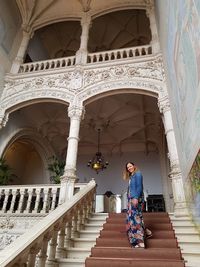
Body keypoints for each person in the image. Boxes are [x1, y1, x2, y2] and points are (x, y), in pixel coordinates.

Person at [123, 162, 152, 248]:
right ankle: (145, 233)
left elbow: (139, 187)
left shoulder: (138, 174)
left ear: (134, 166)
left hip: (136, 199)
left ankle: (140, 242)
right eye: (127, 167)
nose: (129, 168)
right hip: (130, 200)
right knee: (131, 219)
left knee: (136, 219)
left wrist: (135, 198)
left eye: (130, 166)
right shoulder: (131, 177)